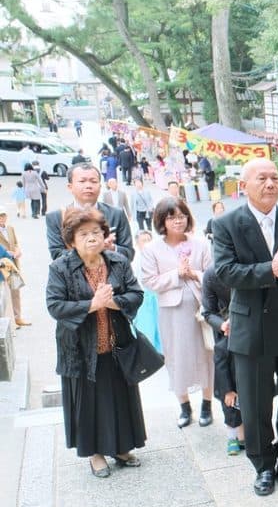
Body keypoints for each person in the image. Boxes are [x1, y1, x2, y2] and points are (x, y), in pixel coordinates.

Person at [212, 158, 278, 496]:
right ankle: (262, 465)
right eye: (262, 177)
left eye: (275, 176)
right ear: (244, 184)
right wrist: (269, 270)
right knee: (256, 402)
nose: (271, 183)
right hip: (251, 327)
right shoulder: (227, 223)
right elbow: (226, 271)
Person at [46, 207, 146, 478]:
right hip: (79, 348)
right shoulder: (60, 267)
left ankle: (123, 448)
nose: (92, 238)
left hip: (116, 344)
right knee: (88, 402)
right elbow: (55, 305)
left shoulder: (118, 261)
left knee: (120, 397)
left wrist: (113, 302)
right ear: (71, 240)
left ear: (105, 235)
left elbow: (136, 293)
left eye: (96, 232)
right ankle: (95, 454)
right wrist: (92, 304)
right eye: (84, 233)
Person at [140, 197, 215, 427]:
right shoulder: (152, 249)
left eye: (182, 216)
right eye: (171, 217)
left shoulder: (201, 243)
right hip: (171, 310)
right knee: (175, 356)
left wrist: (194, 274)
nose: (178, 221)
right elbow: (149, 281)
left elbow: (213, 274)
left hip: (200, 306)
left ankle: (207, 404)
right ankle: (184, 406)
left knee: (206, 354)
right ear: (162, 220)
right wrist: (176, 275)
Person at [46, 164, 134, 261]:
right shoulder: (56, 217)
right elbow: (57, 255)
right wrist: (95, 248)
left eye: (93, 181)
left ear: (100, 186)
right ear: (70, 187)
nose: (88, 186)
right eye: (82, 181)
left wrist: (111, 248)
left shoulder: (117, 214)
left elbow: (129, 254)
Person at [201, 263, 245, 456]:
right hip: (226, 334)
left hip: (250, 338)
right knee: (230, 404)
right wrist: (223, 326)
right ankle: (232, 437)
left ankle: (245, 436)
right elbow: (208, 312)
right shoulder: (212, 274)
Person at [132, 230, 162, 353]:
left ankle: (160, 350)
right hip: (144, 297)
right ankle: (149, 351)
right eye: (143, 240)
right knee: (146, 325)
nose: (147, 243)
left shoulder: (157, 256)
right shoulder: (136, 260)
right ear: (137, 243)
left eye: (149, 240)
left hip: (157, 295)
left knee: (159, 325)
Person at [0, 207, 29, 326]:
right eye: (0, 216)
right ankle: (9, 321)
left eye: (3, 216)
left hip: (13, 264)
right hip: (3, 265)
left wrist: (17, 250)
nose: (2, 218)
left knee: (15, 290)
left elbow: (15, 242)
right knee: (5, 293)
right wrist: (9, 253)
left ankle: (18, 317)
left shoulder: (10, 228)